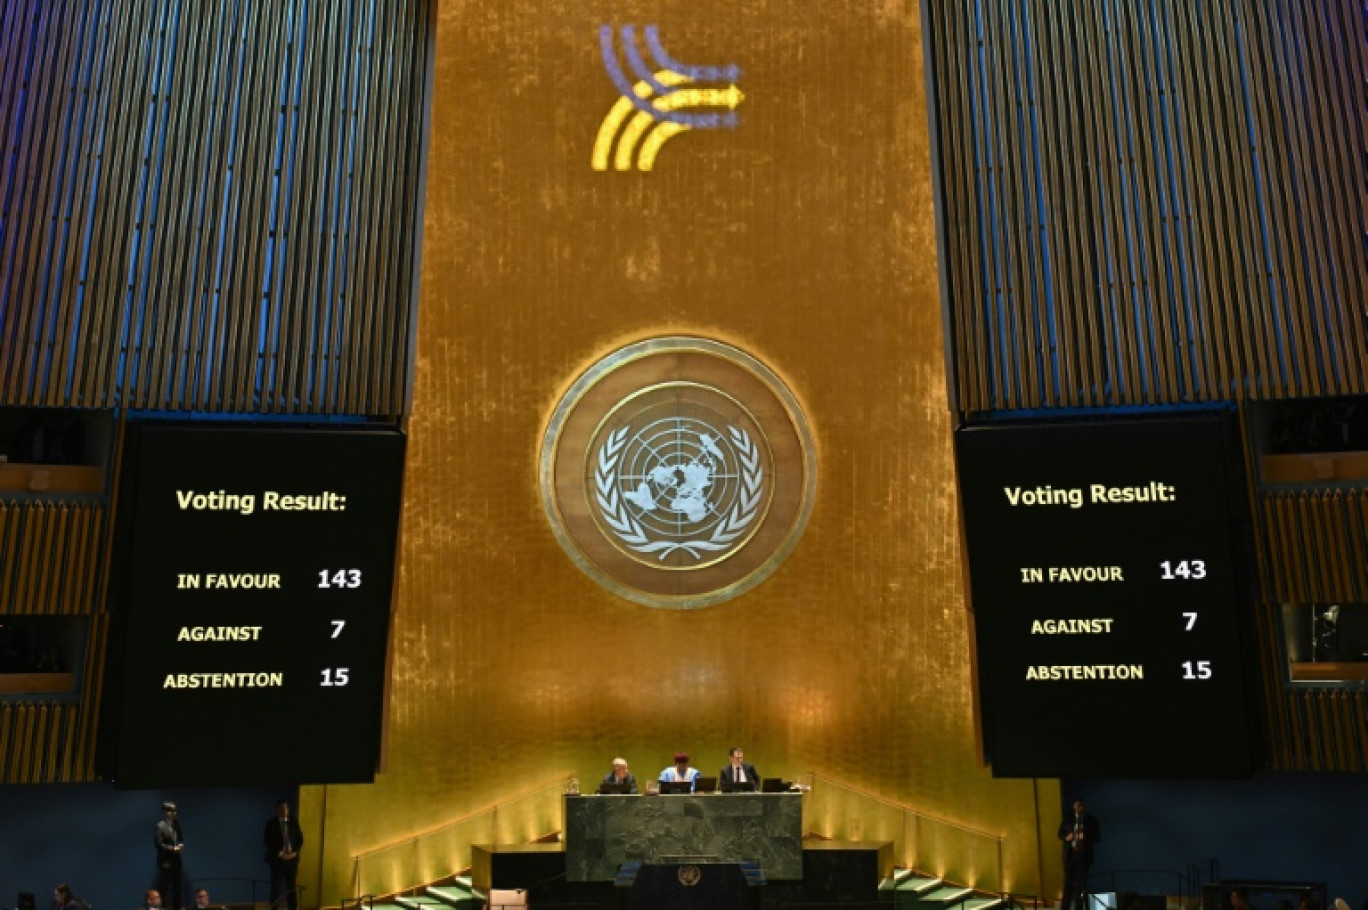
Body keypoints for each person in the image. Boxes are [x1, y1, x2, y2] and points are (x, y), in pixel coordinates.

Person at [1058, 797, 1100, 910]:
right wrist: (1067, 837)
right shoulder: (1068, 819)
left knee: (1080, 886)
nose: (1078, 808)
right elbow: (1060, 833)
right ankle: (1065, 908)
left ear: (1083, 807)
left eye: (1080, 806)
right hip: (1069, 857)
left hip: (1083, 857)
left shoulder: (1091, 820)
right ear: (1074, 806)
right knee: (1067, 885)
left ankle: (1078, 908)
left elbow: (1097, 837)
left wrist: (1085, 837)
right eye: (1076, 806)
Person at [264, 799, 304, 910]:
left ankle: (292, 908)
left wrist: (294, 853)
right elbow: (268, 841)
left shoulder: (293, 821)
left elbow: (300, 839)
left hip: (292, 861)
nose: (285, 810)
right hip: (277, 861)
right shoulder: (270, 823)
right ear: (277, 810)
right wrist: (281, 854)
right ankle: (274, 908)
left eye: (286, 808)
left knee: (291, 887)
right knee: (275, 888)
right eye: (282, 808)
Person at [154, 802, 184, 910]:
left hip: (177, 861)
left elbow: (180, 838)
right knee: (164, 887)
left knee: (178, 886)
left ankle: (178, 907)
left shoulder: (176, 824)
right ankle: (163, 907)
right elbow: (159, 844)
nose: (174, 813)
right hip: (165, 862)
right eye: (171, 811)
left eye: (175, 811)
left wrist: (180, 845)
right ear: (165, 812)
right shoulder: (160, 826)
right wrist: (173, 849)